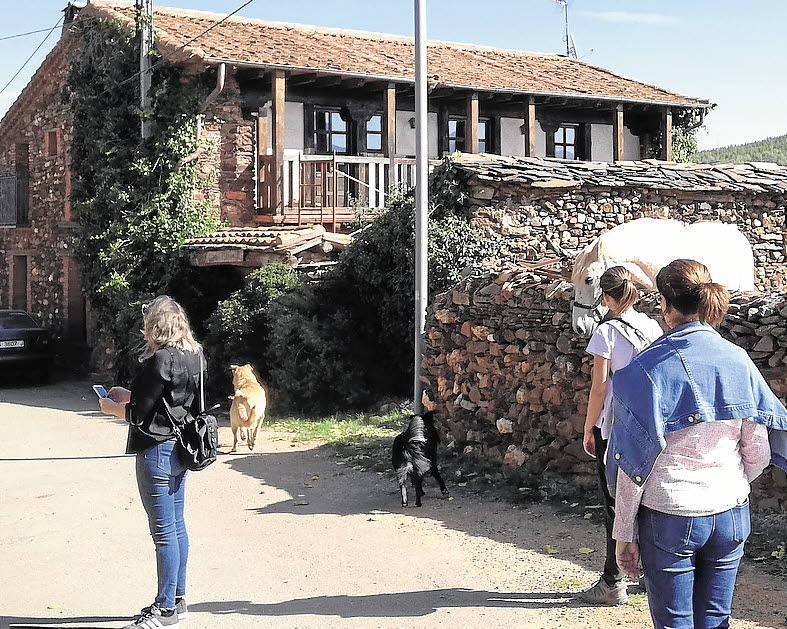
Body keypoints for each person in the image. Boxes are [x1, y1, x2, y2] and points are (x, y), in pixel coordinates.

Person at [608, 259, 787, 629]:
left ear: (664, 304)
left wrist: (623, 534)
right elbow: (758, 451)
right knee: (716, 619)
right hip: (731, 512)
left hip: (669, 514)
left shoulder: (643, 371)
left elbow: (632, 466)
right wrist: (727, 483)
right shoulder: (738, 361)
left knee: (675, 622)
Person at [99, 296, 204, 629]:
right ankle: (178, 600)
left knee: (163, 533)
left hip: (156, 451)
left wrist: (110, 406)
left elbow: (139, 415)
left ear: (155, 325)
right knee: (176, 525)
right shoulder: (195, 355)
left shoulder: (159, 359)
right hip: (181, 448)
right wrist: (129, 397)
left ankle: (164, 609)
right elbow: (174, 403)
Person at [578, 266, 663, 606]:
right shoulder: (653, 326)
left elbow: (599, 387)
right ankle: (651, 578)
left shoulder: (606, 332)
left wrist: (590, 426)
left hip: (615, 426)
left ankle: (613, 582)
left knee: (615, 503)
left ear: (607, 297)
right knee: (650, 502)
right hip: (650, 425)